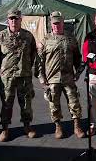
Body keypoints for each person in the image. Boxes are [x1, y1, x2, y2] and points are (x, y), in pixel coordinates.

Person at [37, 11, 84, 139]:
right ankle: (58, 127)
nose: (57, 26)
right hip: (52, 79)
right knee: (54, 104)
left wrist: (78, 72)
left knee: (74, 102)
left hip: (68, 77)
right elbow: (39, 61)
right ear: (51, 25)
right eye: (54, 24)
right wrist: (42, 78)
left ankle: (77, 126)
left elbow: (77, 58)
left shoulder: (71, 38)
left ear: (63, 23)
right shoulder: (45, 40)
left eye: (59, 23)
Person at [0, 8, 37, 142]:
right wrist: (4, 69)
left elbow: (32, 54)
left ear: (20, 19)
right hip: (7, 77)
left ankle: (27, 126)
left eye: (16, 18)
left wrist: (26, 68)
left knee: (26, 103)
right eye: (11, 18)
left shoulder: (28, 36)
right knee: (6, 103)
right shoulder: (1, 36)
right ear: (8, 20)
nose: (13, 21)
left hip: (24, 76)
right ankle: (5, 129)